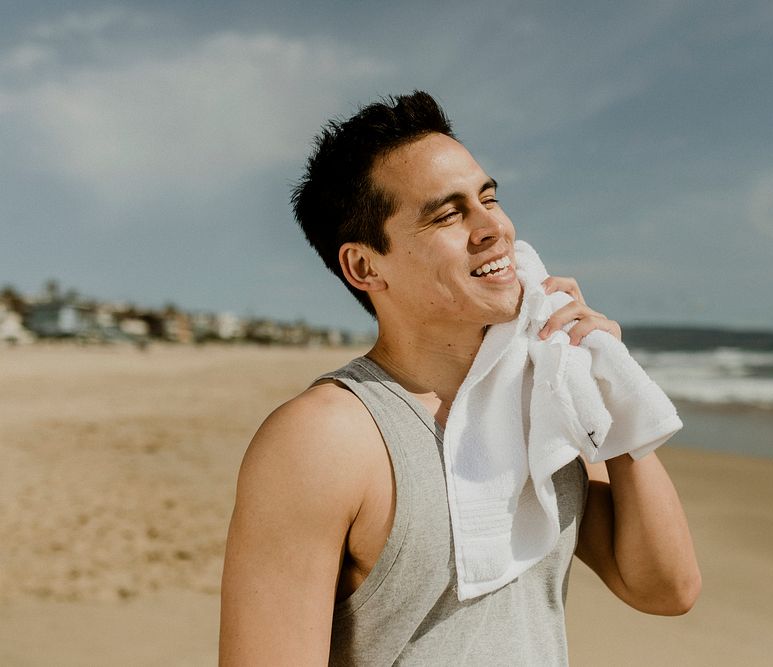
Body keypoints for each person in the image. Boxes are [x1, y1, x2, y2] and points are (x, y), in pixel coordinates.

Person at [219, 91, 700, 665]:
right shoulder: (324, 439)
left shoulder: (541, 400)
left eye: (488, 198)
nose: (492, 227)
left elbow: (666, 589)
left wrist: (607, 381)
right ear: (364, 266)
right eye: (448, 214)